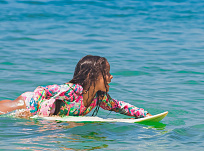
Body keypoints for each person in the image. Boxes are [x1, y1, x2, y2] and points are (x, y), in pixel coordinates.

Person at [0, 55, 151, 118]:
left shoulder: (99, 99)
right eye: (106, 73)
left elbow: (120, 106)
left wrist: (144, 115)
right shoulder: (72, 91)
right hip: (28, 102)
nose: (111, 77)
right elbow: (42, 91)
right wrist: (32, 114)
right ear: (91, 76)